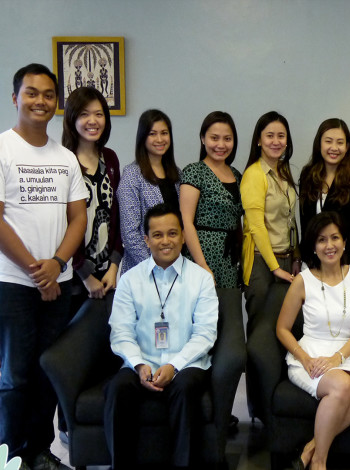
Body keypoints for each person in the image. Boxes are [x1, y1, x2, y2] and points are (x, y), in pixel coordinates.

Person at [0, 63, 88, 470]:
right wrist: (39, 272)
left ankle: (41, 450)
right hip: (14, 282)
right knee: (15, 375)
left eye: (48, 94)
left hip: (59, 282)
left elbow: (78, 219)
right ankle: (11, 452)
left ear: (57, 102)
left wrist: (56, 264)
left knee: (46, 371)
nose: (40, 101)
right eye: (31, 93)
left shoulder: (66, 157)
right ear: (15, 97)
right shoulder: (3, 149)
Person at [104, 203, 218, 469]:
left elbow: (205, 333)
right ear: (146, 239)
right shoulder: (130, 280)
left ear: (182, 235)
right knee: (117, 389)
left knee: (185, 388)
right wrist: (140, 364)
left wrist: (174, 365)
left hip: (188, 364)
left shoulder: (201, 279)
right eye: (157, 235)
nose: (166, 241)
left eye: (172, 233)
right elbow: (120, 331)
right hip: (140, 363)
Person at [276, 211, 350, 470]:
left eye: (334, 238)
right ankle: (320, 462)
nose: (329, 245)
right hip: (310, 354)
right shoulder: (303, 281)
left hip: (346, 351)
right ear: (314, 246)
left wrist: (337, 358)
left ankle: (310, 448)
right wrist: (305, 359)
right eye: (321, 240)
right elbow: (282, 329)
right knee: (342, 385)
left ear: (344, 242)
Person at [61, 86, 122, 310]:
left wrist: (114, 266)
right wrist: (85, 275)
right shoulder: (63, 161)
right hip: (74, 279)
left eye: (98, 114)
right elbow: (63, 225)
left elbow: (117, 215)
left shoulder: (111, 158)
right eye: (84, 114)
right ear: (72, 118)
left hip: (108, 275)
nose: (92, 121)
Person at [241, 111, 300, 318]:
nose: (276, 141)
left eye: (281, 136)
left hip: (286, 259)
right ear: (259, 140)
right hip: (262, 263)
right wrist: (275, 268)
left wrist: (296, 256)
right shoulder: (254, 175)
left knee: (285, 327)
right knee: (261, 329)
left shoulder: (284, 171)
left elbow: (290, 219)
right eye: (269, 135)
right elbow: (256, 227)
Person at [180, 111, 244, 288]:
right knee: (202, 314)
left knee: (231, 315)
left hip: (230, 259)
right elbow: (186, 221)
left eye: (227, 139)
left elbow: (237, 221)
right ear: (203, 138)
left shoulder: (238, 176)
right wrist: (202, 266)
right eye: (214, 138)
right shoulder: (194, 172)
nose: (221, 145)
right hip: (201, 255)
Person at [299, 118, 350, 266]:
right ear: (319, 144)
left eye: (340, 142)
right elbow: (305, 223)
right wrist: (302, 258)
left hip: (344, 264)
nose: (334, 147)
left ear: (347, 146)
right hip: (312, 262)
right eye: (328, 141)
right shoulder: (308, 176)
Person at [117, 109, 181, 274]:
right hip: (142, 269)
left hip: (175, 265)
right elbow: (130, 233)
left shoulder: (177, 174)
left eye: (164, 133)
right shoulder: (132, 174)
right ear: (143, 137)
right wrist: (155, 266)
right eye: (153, 134)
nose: (159, 139)